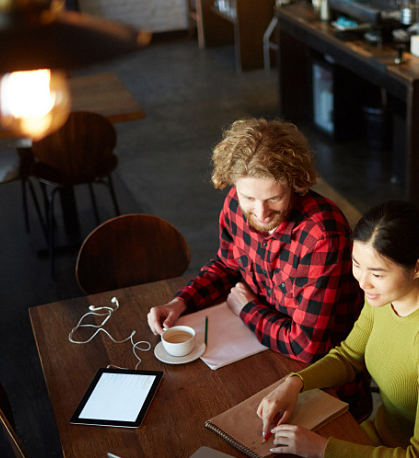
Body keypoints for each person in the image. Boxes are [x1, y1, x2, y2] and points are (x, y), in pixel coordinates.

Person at [256, 200, 419, 458]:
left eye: (377, 273)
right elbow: (349, 356)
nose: (362, 282)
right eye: (357, 264)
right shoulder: (385, 295)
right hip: (380, 443)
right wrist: (294, 383)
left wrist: (323, 448)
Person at [146, 117, 370, 415]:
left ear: (295, 183)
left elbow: (307, 346)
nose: (261, 213)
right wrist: (181, 302)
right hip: (261, 350)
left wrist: (245, 309)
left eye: (274, 197)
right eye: (248, 197)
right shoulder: (234, 206)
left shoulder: (322, 235)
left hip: (322, 384)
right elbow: (227, 266)